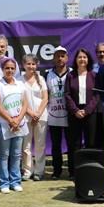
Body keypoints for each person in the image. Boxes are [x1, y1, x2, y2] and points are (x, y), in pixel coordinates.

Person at [0, 57, 29, 193]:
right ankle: (4, 183)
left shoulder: (20, 85)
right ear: (2, 69)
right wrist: (11, 121)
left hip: (19, 124)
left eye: (12, 68)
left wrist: (17, 120)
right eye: (7, 68)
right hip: (2, 125)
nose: (10, 70)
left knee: (16, 154)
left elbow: (25, 104)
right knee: (4, 154)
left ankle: (15, 181)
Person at [65, 48, 99, 169]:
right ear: (76, 60)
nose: (82, 59)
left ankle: (90, 168)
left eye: (84, 57)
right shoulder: (70, 75)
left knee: (91, 143)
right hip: (74, 114)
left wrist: (86, 110)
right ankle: (73, 171)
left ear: (88, 59)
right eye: (80, 57)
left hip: (90, 113)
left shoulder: (94, 75)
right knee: (74, 143)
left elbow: (97, 95)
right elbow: (67, 95)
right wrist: (75, 110)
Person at [21, 54, 48, 181]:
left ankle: (39, 171)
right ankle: (27, 171)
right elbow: (20, 101)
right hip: (25, 117)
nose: (31, 66)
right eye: (28, 64)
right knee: (25, 146)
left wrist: (38, 113)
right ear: (24, 65)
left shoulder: (41, 79)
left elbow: (45, 98)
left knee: (40, 145)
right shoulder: (19, 80)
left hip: (41, 117)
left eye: (33, 64)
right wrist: (30, 113)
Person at [47, 46, 71, 179]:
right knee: (56, 145)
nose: (60, 58)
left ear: (67, 58)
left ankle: (72, 171)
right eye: (57, 56)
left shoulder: (72, 73)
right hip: (54, 114)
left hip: (69, 114)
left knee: (71, 144)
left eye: (62, 56)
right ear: (54, 58)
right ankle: (57, 170)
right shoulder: (48, 74)